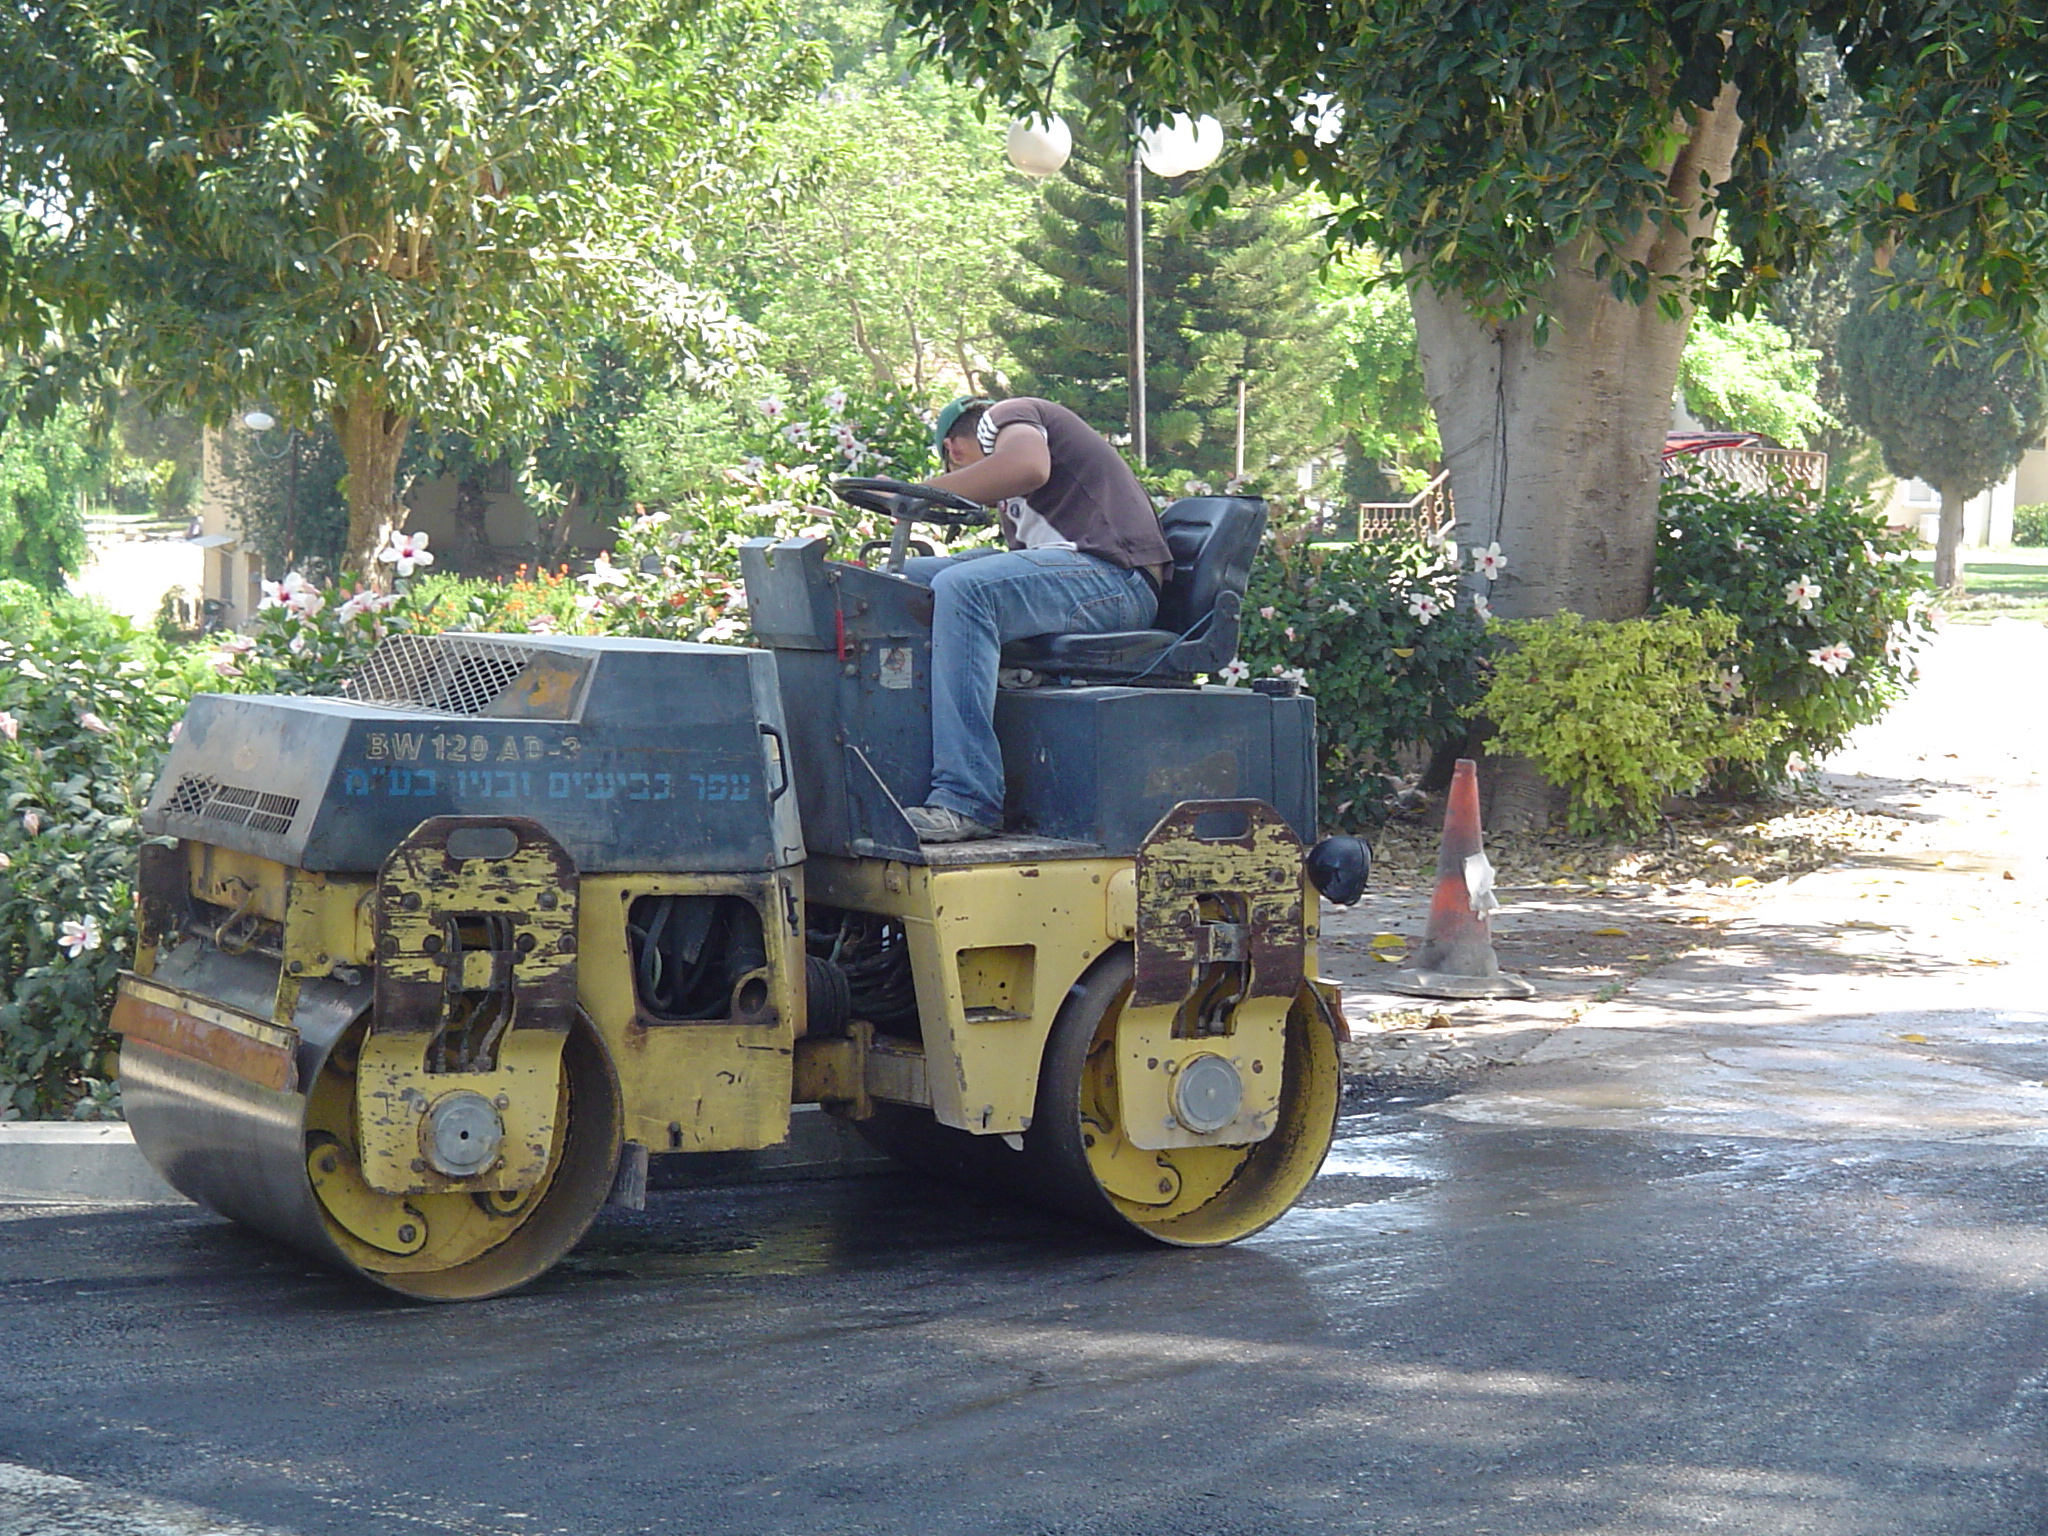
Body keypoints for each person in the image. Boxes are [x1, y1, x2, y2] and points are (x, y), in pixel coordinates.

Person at [895, 396, 1172, 844]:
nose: (956, 472)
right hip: (1079, 579)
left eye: (951, 462)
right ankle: (902, 776)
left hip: (1116, 579)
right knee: (907, 580)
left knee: (966, 589)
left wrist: (923, 489)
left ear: (953, 446)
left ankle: (966, 798)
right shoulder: (1017, 501)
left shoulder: (1009, 415)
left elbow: (1028, 466)